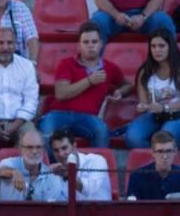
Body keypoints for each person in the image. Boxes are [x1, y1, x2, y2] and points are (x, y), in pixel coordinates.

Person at [40, 21, 129, 151]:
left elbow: (128, 85)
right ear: (79, 46)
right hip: (59, 114)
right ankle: (51, 170)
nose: (90, 46)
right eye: (86, 42)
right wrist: (89, 81)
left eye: (94, 42)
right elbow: (61, 94)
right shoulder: (66, 64)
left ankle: (96, 170)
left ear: (101, 44)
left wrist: (120, 92)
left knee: (101, 130)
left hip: (87, 118)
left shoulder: (110, 68)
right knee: (47, 131)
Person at [125, 28, 180, 148]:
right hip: (155, 116)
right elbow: (144, 102)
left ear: (170, 47)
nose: (157, 50)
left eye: (161, 46)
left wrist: (164, 108)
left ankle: (165, 159)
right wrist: (143, 106)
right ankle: (155, 160)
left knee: (166, 136)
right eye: (153, 46)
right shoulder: (145, 71)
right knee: (132, 137)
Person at [125, 131, 180, 199]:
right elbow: (132, 208)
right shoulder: (137, 176)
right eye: (160, 151)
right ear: (152, 152)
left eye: (168, 151)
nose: (165, 156)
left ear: (175, 152)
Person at [48, 128, 114, 201]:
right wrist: (47, 175)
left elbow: (90, 190)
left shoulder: (96, 161)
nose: (60, 154)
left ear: (74, 146)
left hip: (101, 210)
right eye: (56, 150)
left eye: (64, 148)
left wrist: (68, 175)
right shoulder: (55, 172)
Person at [0, 127, 60, 201]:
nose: (34, 151)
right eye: (29, 147)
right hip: (9, 212)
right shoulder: (9, 163)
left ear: (43, 149)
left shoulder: (52, 177)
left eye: (38, 147)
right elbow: (1, 172)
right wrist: (13, 172)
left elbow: (50, 209)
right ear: (20, 149)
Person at [92, 0, 176, 43]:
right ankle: (94, 67)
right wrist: (116, 15)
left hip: (144, 15)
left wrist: (143, 16)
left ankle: (172, 66)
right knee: (97, 22)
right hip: (112, 16)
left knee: (163, 21)